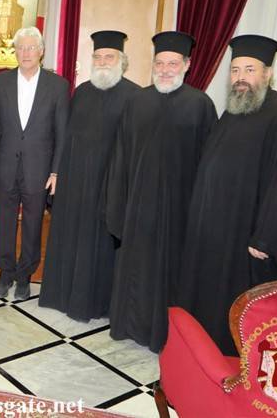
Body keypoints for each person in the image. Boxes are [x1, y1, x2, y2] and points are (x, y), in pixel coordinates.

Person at [178, 34, 277, 356]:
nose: (241, 78)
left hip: (247, 237)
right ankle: (201, 354)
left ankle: (232, 362)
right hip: (212, 233)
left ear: (267, 73)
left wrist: (266, 238)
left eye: (249, 70)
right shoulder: (234, 111)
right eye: (235, 70)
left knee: (238, 306)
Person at [105, 31, 216, 352]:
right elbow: (121, 157)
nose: (165, 69)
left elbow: (208, 165)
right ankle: (129, 326)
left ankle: (165, 334)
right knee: (135, 269)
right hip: (138, 206)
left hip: (178, 210)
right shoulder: (137, 101)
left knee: (170, 272)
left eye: (172, 63)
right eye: (160, 63)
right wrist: (118, 206)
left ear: (187, 65)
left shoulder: (201, 105)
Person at [39, 30, 140, 320]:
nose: (103, 62)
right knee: (72, 239)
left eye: (109, 57)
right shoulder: (82, 91)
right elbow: (68, 137)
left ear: (121, 61)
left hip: (110, 186)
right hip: (76, 184)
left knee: (101, 246)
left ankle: (96, 304)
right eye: (98, 56)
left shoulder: (134, 96)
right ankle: (63, 295)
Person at [0, 27, 69, 301]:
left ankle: (24, 276)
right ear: (15, 51)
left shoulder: (57, 85)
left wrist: (56, 170)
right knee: (6, 224)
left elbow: (62, 132)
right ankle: (6, 273)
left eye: (31, 47)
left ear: (41, 52)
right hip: (6, 167)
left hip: (40, 170)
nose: (25, 53)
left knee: (34, 225)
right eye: (21, 47)